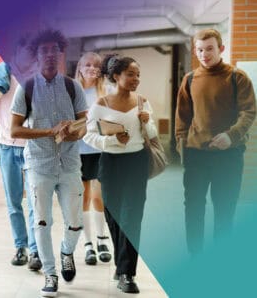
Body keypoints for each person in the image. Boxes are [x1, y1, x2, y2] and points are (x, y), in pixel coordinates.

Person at [10, 29, 87, 297]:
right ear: (37, 55)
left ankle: (67, 251)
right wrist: (49, 131)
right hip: (39, 165)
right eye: (45, 51)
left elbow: (84, 126)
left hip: (69, 164)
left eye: (55, 50)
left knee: (76, 221)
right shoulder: (26, 87)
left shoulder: (72, 86)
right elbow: (15, 130)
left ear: (61, 53)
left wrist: (72, 131)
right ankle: (50, 273)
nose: (50, 55)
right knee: (41, 222)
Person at [175, 28, 256, 256]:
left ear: (221, 49)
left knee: (224, 210)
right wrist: (183, 148)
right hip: (196, 156)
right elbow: (182, 118)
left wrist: (231, 135)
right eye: (199, 50)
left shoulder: (237, 77)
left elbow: (249, 112)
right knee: (193, 210)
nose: (204, 54)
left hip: (228, 156)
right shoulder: (189, 79)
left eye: (209, 49)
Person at [84, 55, 158, 294]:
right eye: (131, 74)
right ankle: (121, 262)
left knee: (131, 217)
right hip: (110, 163)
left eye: (138, 75)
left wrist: (146, 122)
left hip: (136, 163)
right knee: (114, 217)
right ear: (116, 76)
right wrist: (111, 140)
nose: (136, 79)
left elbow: (153, 132)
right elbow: (87, 135)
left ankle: (127, 273)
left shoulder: (142, 102)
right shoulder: (101, 104)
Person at [0, 35, 41, 271]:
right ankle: (21, 248)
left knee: (35, 202)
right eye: (28, 52)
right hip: (6, 147)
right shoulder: (0, 77)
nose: (31, 57)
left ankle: (36, 252)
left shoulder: (38, 79)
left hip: (32, 148)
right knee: (14, 202)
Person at [75, 52, 111, 265]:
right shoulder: (72, 91)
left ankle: (102, 238)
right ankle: (88, 244)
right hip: (77, 153)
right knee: (83, 199)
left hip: (99, 151)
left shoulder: (106, 91)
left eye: (95, 66)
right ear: (80, 67)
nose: (91, 68)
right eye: (87, 65)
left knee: (99, 197)